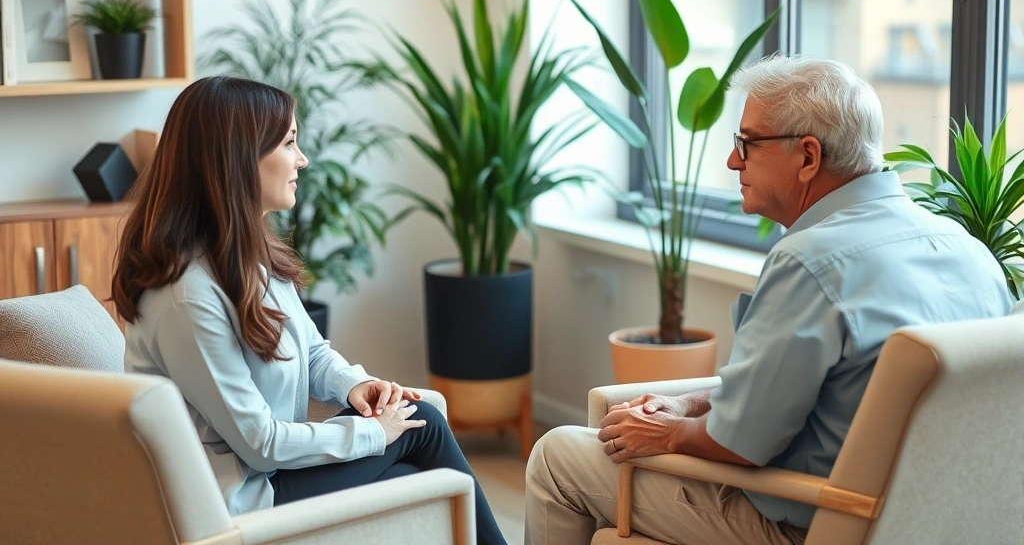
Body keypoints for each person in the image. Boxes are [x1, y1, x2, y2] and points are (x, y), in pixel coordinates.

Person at [525, 55, 1013, 545]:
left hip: (807, 524)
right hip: (930, 526)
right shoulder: (971, 252)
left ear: (807, 156)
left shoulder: (810, 261)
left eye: (747, 143)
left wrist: (670, 432)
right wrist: (688, 403)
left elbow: (739, 442)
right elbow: (807, 392)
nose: (733, 160)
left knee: (558, 454)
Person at [112, 76, 507, 545]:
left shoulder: (246, 256)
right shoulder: (187, 298)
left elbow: (311, 349)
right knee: (425, 429)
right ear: (238, 158)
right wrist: (374, 433)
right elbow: (259, 444)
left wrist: (355, 385)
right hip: (238, 500)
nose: (302, 159)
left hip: (268, 477)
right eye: (289, 143)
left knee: (417, 470)